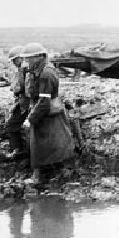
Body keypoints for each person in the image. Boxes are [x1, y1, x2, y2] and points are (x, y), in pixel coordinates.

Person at [21, 43, 75, 187]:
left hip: (48, 112)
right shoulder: (41, 69)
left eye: (29, 58)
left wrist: (31, 119)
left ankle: (39, 176)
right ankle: (60, 170)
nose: (27, 62)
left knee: (43, 144)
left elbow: (44, 101)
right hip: (46, 112)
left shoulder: (46, 73)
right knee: (54, 142)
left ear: (38, 57)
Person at [4, 45, 30, 160]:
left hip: (27, 102)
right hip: (25, 101)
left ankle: (18, 150)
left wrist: (16, 90)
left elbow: (18, 87)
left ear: (21, 57)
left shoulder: (24, 68)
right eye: (13, 60)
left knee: (11, 125)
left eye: (15, 59)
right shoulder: (24, 68)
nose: (14, 62)